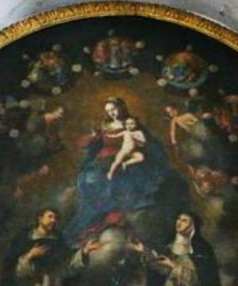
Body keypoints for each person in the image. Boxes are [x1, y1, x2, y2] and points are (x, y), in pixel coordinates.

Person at [66, 97, 170, 240]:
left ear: (121, 107)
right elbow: (95, 144)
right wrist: (93, 139)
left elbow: (149, 144)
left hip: (126, 161)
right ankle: (93, 226)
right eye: (108, 111)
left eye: (114, 109)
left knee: (123, 189)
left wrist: (142, 146)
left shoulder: (133, 124)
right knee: (96, 187)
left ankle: (112, 223)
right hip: (103, 162)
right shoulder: (105, 126)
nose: (112, 113)